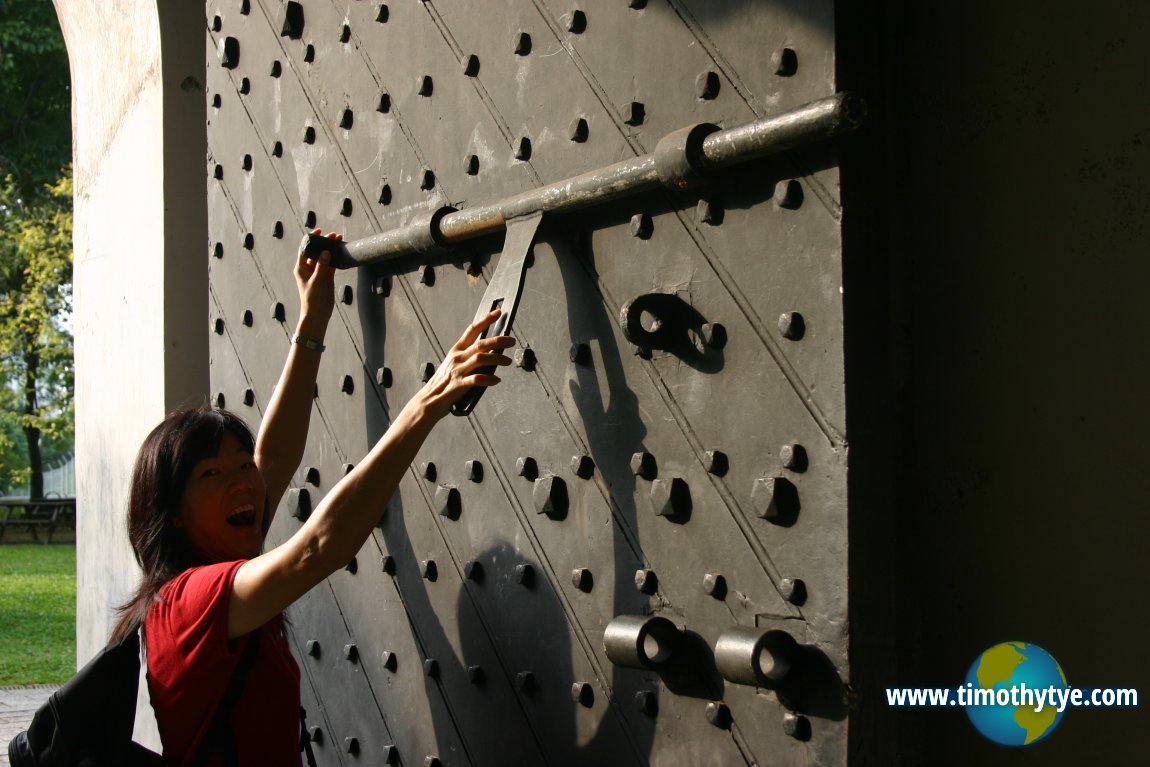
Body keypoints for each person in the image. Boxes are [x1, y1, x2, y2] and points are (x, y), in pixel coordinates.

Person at [109, 231, 514, 765]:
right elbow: (317, 547)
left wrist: (313, 318)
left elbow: (272, 458)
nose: (241, 483)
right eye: (211, 474)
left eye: (238, 464)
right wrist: (426, 403)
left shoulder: (222, 554)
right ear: (172, 514)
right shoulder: (191, 602)